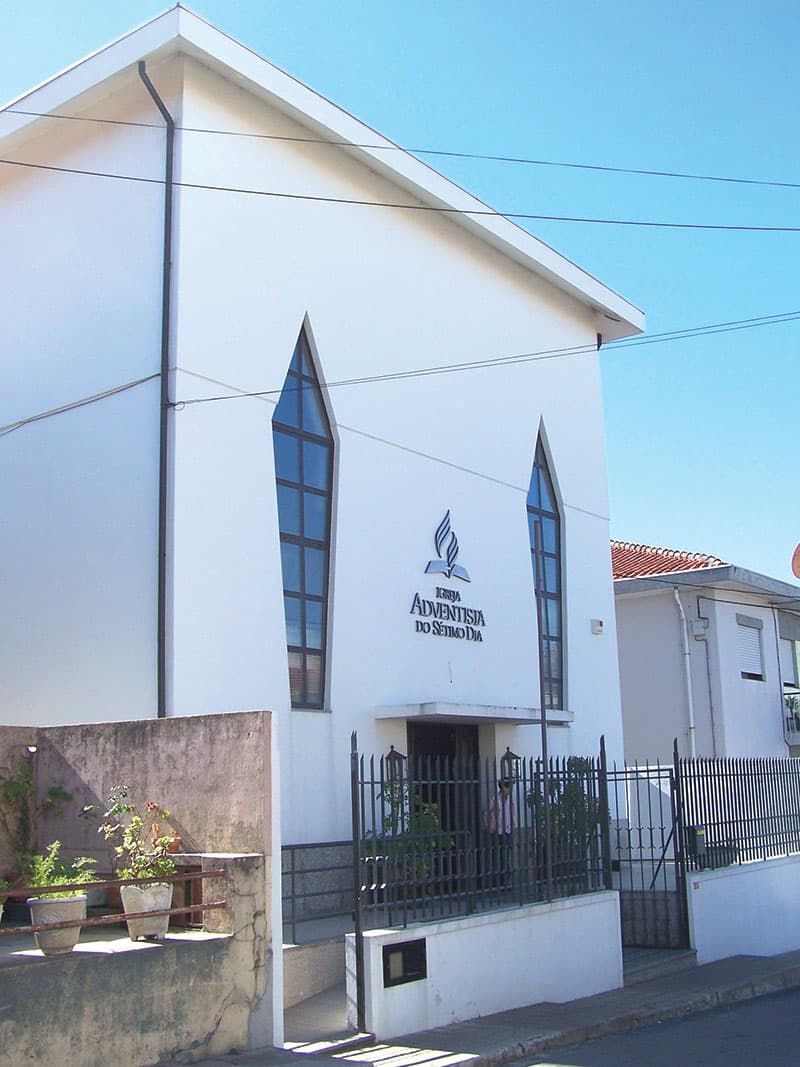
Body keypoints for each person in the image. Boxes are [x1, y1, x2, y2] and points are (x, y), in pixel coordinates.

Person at [483, 778, 515, 890]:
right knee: (498, 857)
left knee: (506, 857)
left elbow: (511, 813)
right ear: (503, 788)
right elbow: (486, 814)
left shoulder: (509, 800)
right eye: (508, 787)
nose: (509, 790)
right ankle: (498, 883)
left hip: (507, 831)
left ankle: (505, 882)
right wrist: (489, 826)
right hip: (498, 832)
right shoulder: (494, 799)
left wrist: (512, 823)